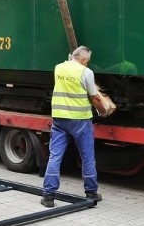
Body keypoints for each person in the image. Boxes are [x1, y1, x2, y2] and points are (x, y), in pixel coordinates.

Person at [41, 45, 113, 208]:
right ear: (83, 59)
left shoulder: (58, 68)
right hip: (80, 120)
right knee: (87, 157)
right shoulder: (86, 72)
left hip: (59, 119)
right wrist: (103, 111)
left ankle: (48, 196)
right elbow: (94, 97)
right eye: (87, 61)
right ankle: (91, 192)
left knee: (55, 156)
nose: (87, 63)